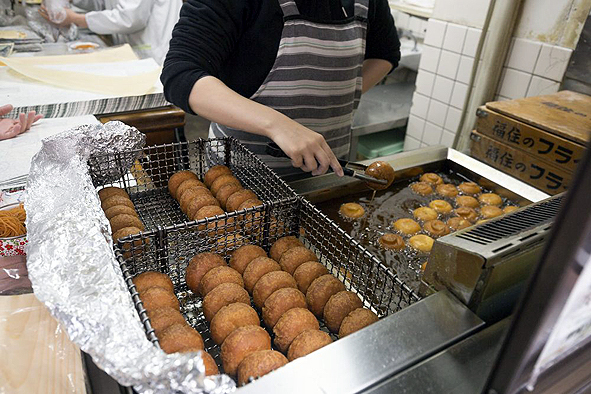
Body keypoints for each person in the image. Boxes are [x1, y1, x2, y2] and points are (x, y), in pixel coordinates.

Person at [161, 0, 400, 177]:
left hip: (329, 175)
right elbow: (181, 75)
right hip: (242, 180)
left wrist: (339, 98)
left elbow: (386, 54)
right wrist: (278, 125)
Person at [39, 0, 182, 65]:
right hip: (134, 48)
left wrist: (74, 18)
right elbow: (102, 4)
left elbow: (129, 19)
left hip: (152, 51)